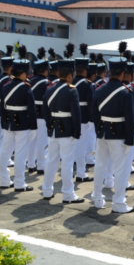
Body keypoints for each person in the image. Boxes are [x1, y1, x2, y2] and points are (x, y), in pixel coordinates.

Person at [90, 47, 134, 213]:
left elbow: (94, 114)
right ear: (123, 73)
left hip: (102, 133)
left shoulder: (99, 89)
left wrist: (98, 130)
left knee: (100, 166)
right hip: (119, 135)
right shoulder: (126, 92)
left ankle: (96, 197)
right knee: (120, 170)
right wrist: (130, 140)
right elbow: (130, 118)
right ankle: (118, 203)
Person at [41, 52, 83, 203]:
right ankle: (68, 194)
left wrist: (49, 124)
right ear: (70, 75)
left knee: (51, 160)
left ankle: (46, 190)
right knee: (67, 163)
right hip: (66, 131)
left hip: (53, 129)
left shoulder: (50, 88)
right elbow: (76, 114)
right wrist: (77, 132)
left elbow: (45, 110)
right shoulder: (72, 90)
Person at [0, 46, 37, 192]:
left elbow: (2, 107)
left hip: (8, 123)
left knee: (5, 152)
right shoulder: (26, 88)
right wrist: (34, 127)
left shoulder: (6, 86)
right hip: (23, 125)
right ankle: (19, 183)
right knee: (20, 154)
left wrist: (3, 123)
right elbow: (31, 110)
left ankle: (4, 180)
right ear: (24, 73)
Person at [26, 49, 52, 176]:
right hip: (41, 115)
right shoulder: (47, 83)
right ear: (45, 70)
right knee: (42, 142)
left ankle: (31, 164)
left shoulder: (30, 81)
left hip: (31, 114)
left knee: (32, 141)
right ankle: (41, 166)